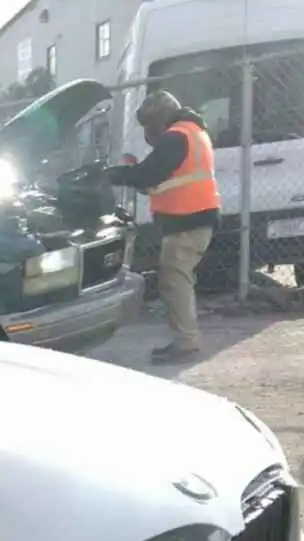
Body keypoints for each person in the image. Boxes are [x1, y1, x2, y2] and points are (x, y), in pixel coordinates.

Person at [106, 91, 221, 365]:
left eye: (152, 126)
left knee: (175, 280)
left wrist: (113, 175)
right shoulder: (192, 131)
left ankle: (186, 342)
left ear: (164, 119)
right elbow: (163, 178)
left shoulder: (177, 136)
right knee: (178, 279)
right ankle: (185, 339)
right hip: (193, 218)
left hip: (187, 220)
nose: (149, 133)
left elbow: (150, 173)